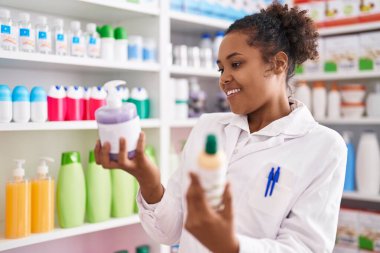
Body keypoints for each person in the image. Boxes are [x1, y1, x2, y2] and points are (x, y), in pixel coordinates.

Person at [94, 2, 347, 253]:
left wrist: (230, 246)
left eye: (236, 64)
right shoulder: (208, 127)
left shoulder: (323, 146)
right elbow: (170, 232)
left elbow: (305, 249)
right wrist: (148, 181)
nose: (224, 78)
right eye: (221, 68)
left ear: (277, 64)